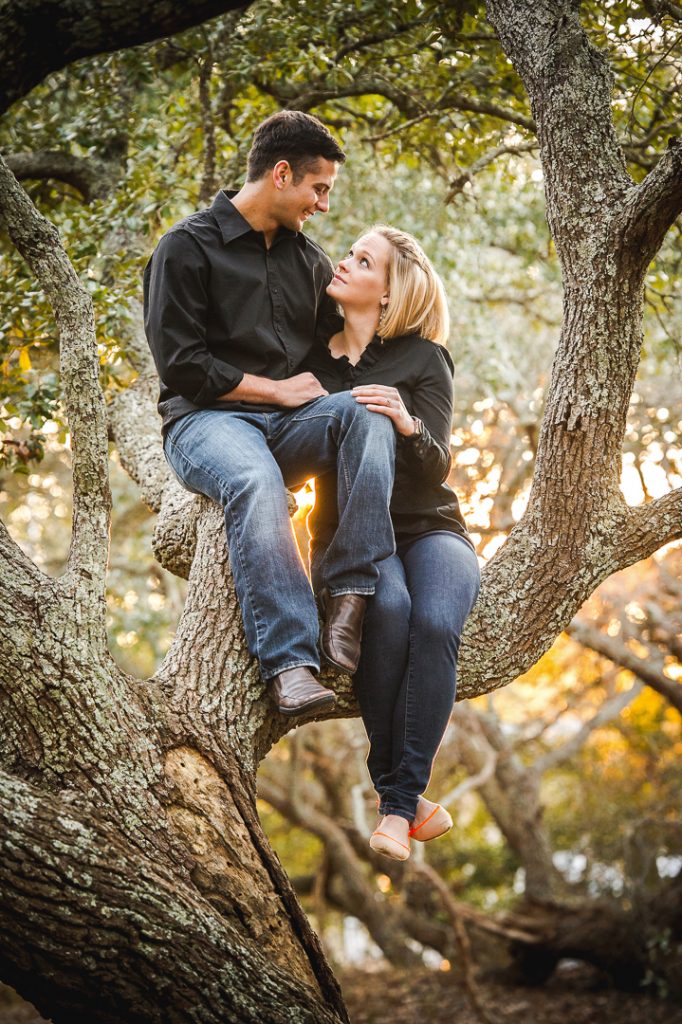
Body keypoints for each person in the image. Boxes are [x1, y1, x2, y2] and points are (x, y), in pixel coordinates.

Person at [143, 112, 398, 719]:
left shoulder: (308, 262)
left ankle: (350, 594)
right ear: (282, 174)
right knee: (255, 482)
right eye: (319, 188)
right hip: (205, 423)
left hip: (288, 428)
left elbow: (332, 359)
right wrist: (275, 391)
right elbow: (181, 365)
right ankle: (289, 665)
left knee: (368, 414)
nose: (324, 205)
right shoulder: (184, 248)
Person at [304, 225, 481, 860]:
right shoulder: (311, 358)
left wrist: (407, 423)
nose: (345, 263)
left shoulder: (425, 360)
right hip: (354, 535)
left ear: (389, 291)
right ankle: (407, 803)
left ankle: (396, 805)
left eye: (363, 260)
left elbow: (437, 468)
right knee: (393, 611)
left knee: (434, 622)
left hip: (433, 528)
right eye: (350, 254)